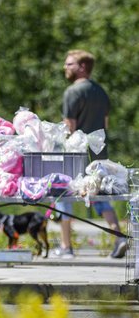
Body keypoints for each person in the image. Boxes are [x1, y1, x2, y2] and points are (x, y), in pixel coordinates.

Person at [57, 50, 128, 259]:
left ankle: (66, 246)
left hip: (75, 156)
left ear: (82, 67)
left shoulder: (72, 92)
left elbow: (69, 127)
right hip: (99, 156)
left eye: (69, 64)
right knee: (100, 196)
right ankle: (119, 236)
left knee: (64, 196)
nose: (65, 67)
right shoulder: (100, 92)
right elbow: (105, 125)